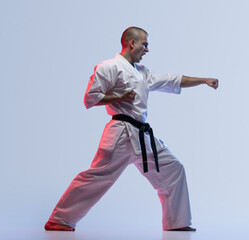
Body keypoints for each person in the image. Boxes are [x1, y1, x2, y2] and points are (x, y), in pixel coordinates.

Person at [44, 26, 219, 232]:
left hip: (143, 136)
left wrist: (203, 80)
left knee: (173, 168)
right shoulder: (109, 67)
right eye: (145, 44)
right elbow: (90, 97)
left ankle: (176, 222)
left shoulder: (142, 72)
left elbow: (172, 79)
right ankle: (59, 219)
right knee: (98, 176)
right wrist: (118, 97)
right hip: (121, 134)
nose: (147, 49)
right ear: (132, 43)